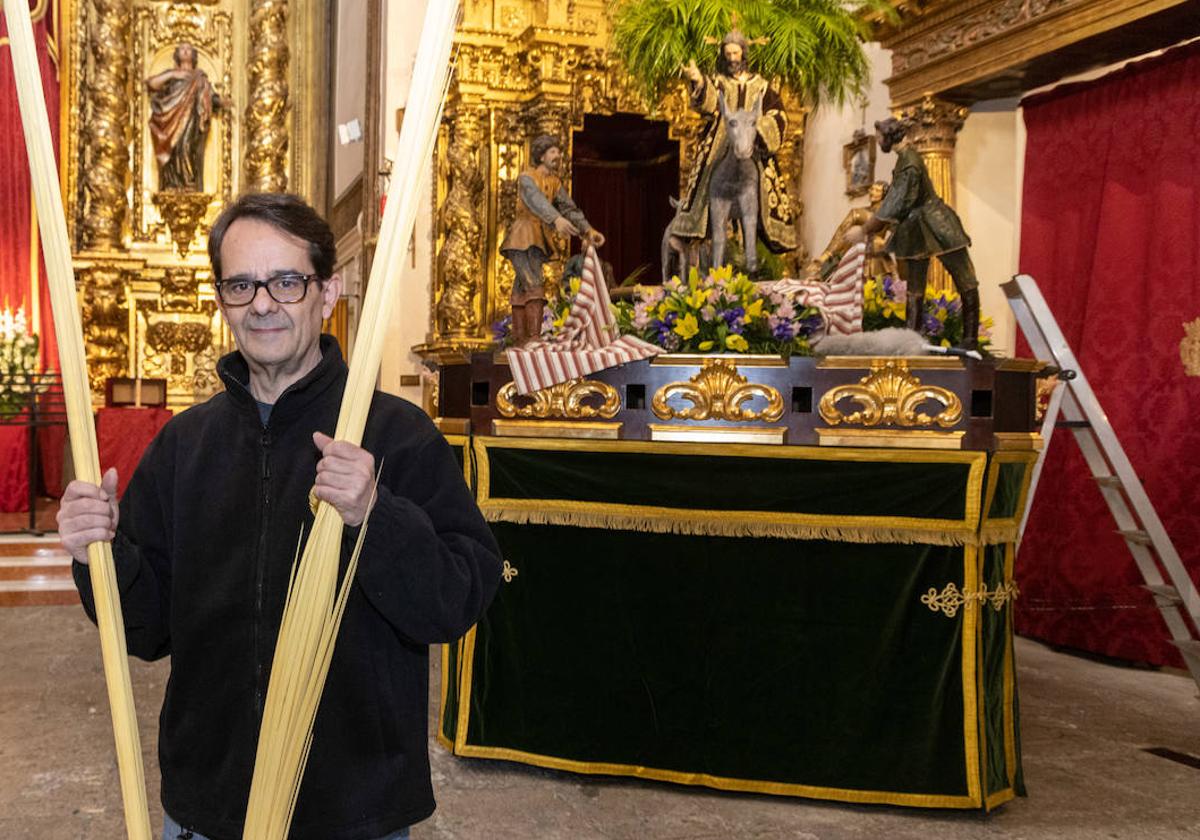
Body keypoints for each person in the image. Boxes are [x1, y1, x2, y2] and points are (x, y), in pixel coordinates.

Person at [57, 193, 502, 840]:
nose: (262, 303)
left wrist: (375, 515)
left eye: (286, 282)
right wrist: (96, 552)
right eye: (241, 285)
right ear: (222, 300)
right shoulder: (186, 446)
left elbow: (457, 598)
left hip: (354, 810)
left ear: (328, 294)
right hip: (210, 806)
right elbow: (146, 629)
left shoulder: (394, 434)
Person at [673, 28, 797, 265]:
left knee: (765, 182)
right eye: (727, 53)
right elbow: (708, 104)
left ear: (744, 53)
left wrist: (759, 128)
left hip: (752, 142)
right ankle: (692, 225)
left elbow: (779, 114)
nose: (731, 58)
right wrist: (698, 79)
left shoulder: (761, 86)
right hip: (722, 138)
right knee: (704, 175)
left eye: (735, 52)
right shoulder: (719, 83)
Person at [862, 117, 981, 349]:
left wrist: (867, 229)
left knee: (964, 278)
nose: (878, 142)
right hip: (916, 227)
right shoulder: (904, 159)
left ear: (891, 136)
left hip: (937, 224)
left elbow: (898, 201)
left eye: (879, 138)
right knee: (915, 286)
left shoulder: (909, 161)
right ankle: (912, 339)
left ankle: (970, 339)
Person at [499, 134, 605, 345]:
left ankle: (520, 339)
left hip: (538, 238)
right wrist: (556, 219)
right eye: (553, 152)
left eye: (558, 152)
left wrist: (588, 230)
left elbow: (569, 208)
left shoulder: (555, 182)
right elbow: (536, 201)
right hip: (523, 235)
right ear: (541, 155)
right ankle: (534, 338)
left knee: (522, 286)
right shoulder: (527, 177)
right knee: (534, 283)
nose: (558, 156)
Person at [146, 43, 223, 191]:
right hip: (171, 120)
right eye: (182, 49)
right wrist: (172, 74)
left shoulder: (199, 77)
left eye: (189, 49)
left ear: (194, 55)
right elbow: (152, 84)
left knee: (187, 146)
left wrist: (220, 101)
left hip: (192, 121)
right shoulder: (171, 74)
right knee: (173, 149)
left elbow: (210, 97)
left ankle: (188, 183)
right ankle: (172, 184)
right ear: (177, 55)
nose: (186, 51)